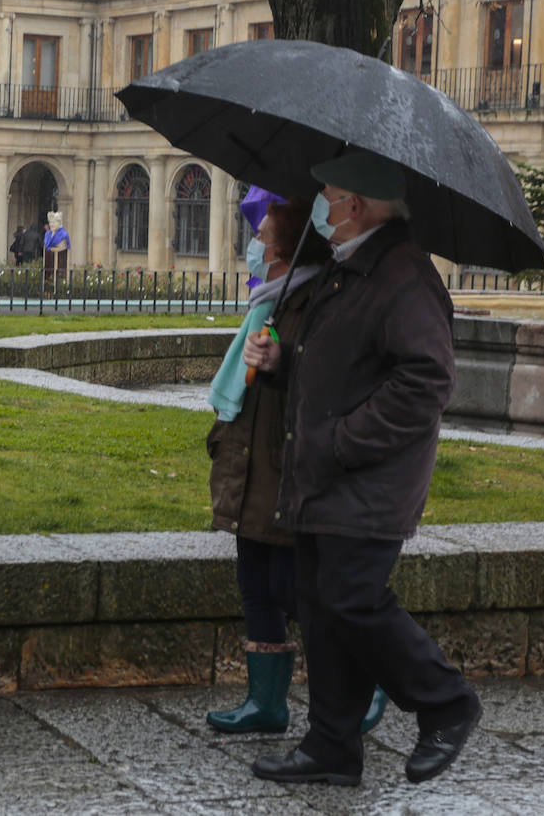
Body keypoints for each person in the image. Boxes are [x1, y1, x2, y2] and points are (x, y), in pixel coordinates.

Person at [243, 150, 482, 787]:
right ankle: (331, 745)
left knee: (352, 600)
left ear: (358, 206)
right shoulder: (352, 269)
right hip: (328, 477)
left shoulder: (402, 274)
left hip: (366, 481)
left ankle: (447, 703)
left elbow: (426, 380)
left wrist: (343, 443)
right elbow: (343, 364)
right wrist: (282, 363)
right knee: (319, 605)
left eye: (329, 192)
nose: (318, 201)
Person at [205, 193, 332, 734]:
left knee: (289, 586)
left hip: (280, 461)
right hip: (249, 457)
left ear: (285, 244)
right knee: (253, 580)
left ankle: (363, 676)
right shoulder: (270, 299)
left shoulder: (314, 299)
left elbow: (319, 377)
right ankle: (266, 702)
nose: (255, 244)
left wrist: (279, 361)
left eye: (263, 235)